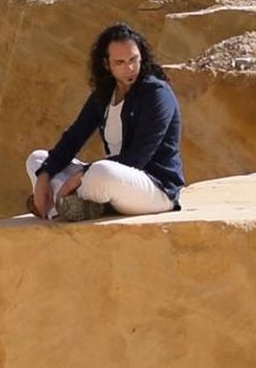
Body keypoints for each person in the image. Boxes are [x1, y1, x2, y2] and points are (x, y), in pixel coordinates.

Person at [27, 22, 184, 221]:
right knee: (37, 159)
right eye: (120, 62)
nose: (130, 68)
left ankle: (61, 208)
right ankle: (75, 206)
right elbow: (74, 137)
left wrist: (83, 173)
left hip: (153, 188)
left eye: (133, 59)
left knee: (102, 171)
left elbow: (138, 157)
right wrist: (45, 174)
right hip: (112, 184)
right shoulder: (104, 94)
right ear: (106, 64)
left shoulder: (156, 94)